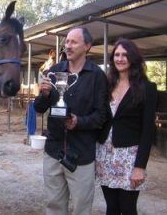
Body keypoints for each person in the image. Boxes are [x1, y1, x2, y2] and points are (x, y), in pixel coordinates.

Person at [34, 27, 109, 215]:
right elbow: (39, 108)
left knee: (82, 208)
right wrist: (43, 95)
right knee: (53, 206)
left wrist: (79, 122)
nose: (68, 46)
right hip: (53, 151)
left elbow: (101, 116)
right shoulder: (54, 71)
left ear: (87, 46)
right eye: (67, 41)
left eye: (73, 42)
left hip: (81, 155)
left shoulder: (97, 76)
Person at [96, 38, 157, 215]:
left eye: (125, 54)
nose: (120, 59)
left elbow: (148, 131)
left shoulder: (147, 88)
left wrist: (140, 167)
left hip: (129, 157)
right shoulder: (107, 85)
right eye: (117, 55)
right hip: (105, 154)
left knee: (128, 208)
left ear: (133, 58)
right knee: (111, 208)